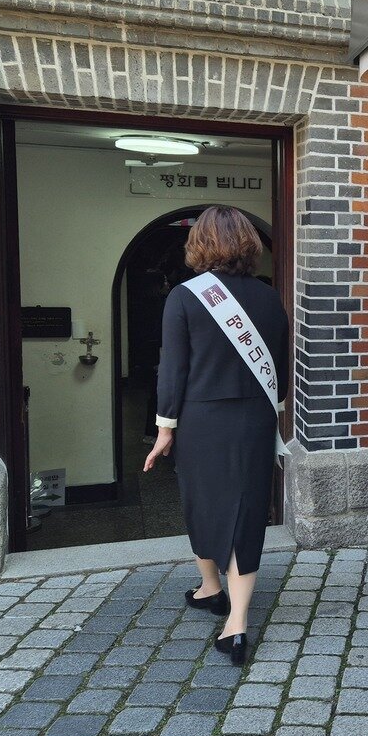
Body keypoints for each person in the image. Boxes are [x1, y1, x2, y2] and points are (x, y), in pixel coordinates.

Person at [143, 206, 289, 665]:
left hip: (203, 420)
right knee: (246, 507)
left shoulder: (184, 297)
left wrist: (164, 429)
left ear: (199, 244)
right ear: (248, 243)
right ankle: (234, 619)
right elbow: (281, 366)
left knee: (202, 502)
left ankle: (213, 589)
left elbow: (173, 370)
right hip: (256, 417)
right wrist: (276, 413)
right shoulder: (269, 297)